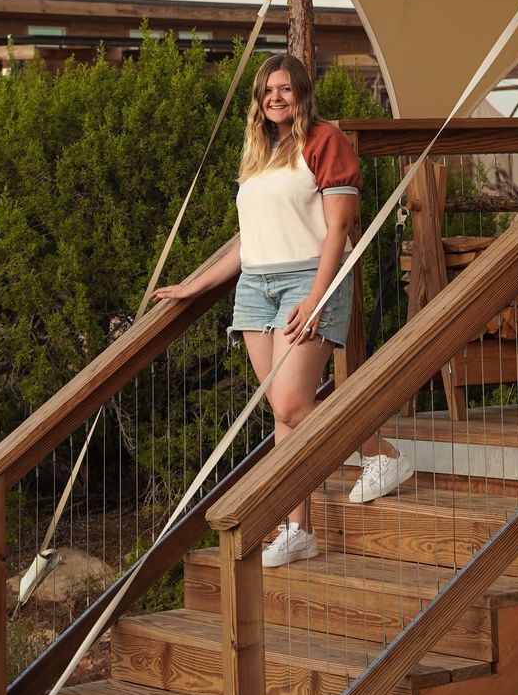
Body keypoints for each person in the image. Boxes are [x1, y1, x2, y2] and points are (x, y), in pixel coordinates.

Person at [154, 53, 413, 566]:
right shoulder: (260, 152)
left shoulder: (324, 141)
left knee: (294, 402)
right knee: (284, 414)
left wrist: (316, 297)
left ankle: (383, 455)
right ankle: (299, 529)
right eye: (267, 90)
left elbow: (338, 228)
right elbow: (247, 243)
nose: (275, 97)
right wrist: (193, 285)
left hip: (307, 279)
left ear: (301, 93)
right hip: (255, 287)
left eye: (285, 88)